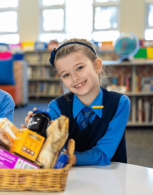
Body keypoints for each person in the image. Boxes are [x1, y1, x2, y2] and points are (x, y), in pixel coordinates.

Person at [23, 38, 129, 166]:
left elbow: (103, 154)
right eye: (66, 75)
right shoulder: (57, 107)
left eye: (79, 68)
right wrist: (36, 136)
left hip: (111, 177)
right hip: (68, 180)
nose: (75, 78)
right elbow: (50, 149)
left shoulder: (119, 103)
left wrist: (68, 158)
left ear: (97, 66)